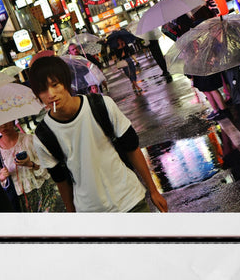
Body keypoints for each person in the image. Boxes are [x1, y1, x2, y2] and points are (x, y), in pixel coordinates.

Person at [28, 56, 168, 213]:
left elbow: (132, 148)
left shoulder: (101, 105)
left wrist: (153, 190)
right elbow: (61, 181)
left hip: (131, 201)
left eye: (55, 85)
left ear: (66, 82)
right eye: (43, 90)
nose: (51, 94)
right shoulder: (43, 136)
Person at [0, 121, 65, 212]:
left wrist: (30, 164)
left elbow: (45, 167)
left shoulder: (29, 139)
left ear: (13, 121)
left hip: (41, 191)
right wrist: (1, 176)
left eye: (6, 122)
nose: (3, 126)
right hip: (17, 199)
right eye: (0, 123)